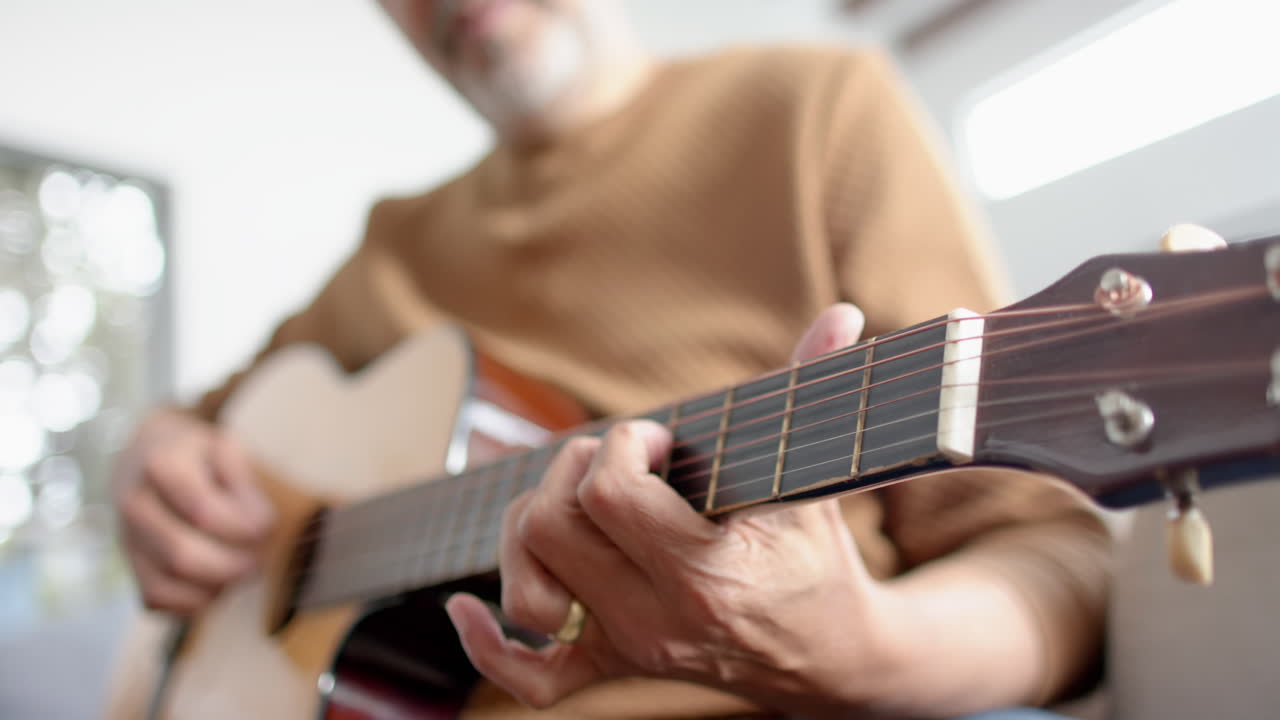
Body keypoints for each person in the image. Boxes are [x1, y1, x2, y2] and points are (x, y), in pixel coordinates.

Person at [111, 0, 1108, 717]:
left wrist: (858, 655)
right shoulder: (391, 249)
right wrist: (148, 457)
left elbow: (1058, 562)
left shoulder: (816, 108)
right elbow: (199, 422)